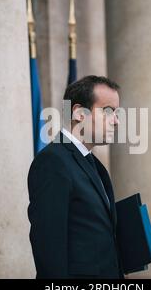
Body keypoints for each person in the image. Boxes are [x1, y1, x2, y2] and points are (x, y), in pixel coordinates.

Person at [27, 75, 124, 279]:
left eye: (117, 114)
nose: (115, 121)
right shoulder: (53, 162)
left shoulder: (94, 164)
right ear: (79, 113)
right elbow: (48, 243)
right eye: (108, 111)